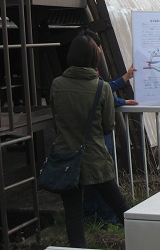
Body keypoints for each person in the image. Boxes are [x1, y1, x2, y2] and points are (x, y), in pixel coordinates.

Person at [50, 33, 129, 247]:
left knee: (74, 216)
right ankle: (145, 240)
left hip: (66, 159)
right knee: (121, 208)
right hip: (95, 159)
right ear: (94, 58)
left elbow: (57, 120)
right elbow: (107, 126)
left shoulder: (57, 84)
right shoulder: (101, 88)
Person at [82, 29, 137, 224]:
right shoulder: (92, 79)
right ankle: (112, 218)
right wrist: (121, 102)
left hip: (75, 143)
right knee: (104, 178)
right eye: (97, 48)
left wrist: (124, 78)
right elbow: (102, 94)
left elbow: (102, 87)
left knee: (85, 180)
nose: (100, 52)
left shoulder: (61, 83)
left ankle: (89, 217)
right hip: (98, 140)